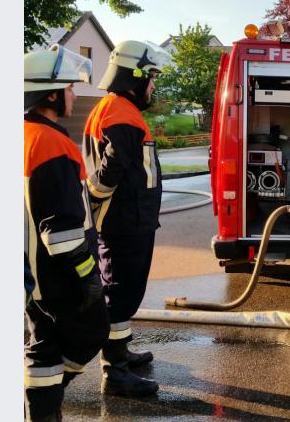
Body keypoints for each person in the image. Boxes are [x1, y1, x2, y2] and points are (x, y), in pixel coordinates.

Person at [24, 45, 109, 421]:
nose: (75, 95)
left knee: (43, 344)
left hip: (30, 274)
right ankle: (46, 403)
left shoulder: (23, 134)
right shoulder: (53, 143)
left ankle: (41, 411)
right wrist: (88, 277)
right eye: (70, 88)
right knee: (90, 332)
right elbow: (61, 233)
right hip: (54, 277)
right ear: (52, 93)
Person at [82, 40, 171, 397]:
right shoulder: (119, 109)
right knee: (120, 292)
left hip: (130, 218)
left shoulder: (117, 108)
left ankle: (120, 353)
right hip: (124, 221)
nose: (152, 85)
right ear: (131, 77)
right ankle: (114, 372)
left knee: (125, 290)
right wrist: (97, 199)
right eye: (149, 77)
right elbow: (113, 166)